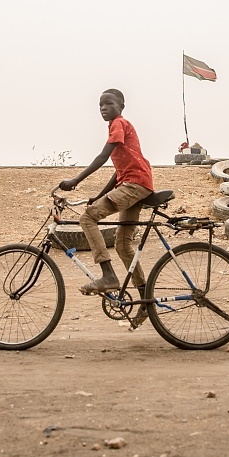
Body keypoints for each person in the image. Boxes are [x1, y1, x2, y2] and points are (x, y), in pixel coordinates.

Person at [59, 88, 153, 327]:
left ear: (121, 106)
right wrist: (100, 196)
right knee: (122, 244)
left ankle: (108, 275)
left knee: (87, 218)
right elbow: (118, 172)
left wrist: (75, 180)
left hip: (133, 186)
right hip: (137, 184)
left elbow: (102, 157)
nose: (103, 108)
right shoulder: (118, 128)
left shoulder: (119, 124)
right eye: (100, 104)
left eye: (109, 103)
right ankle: (145, 300)